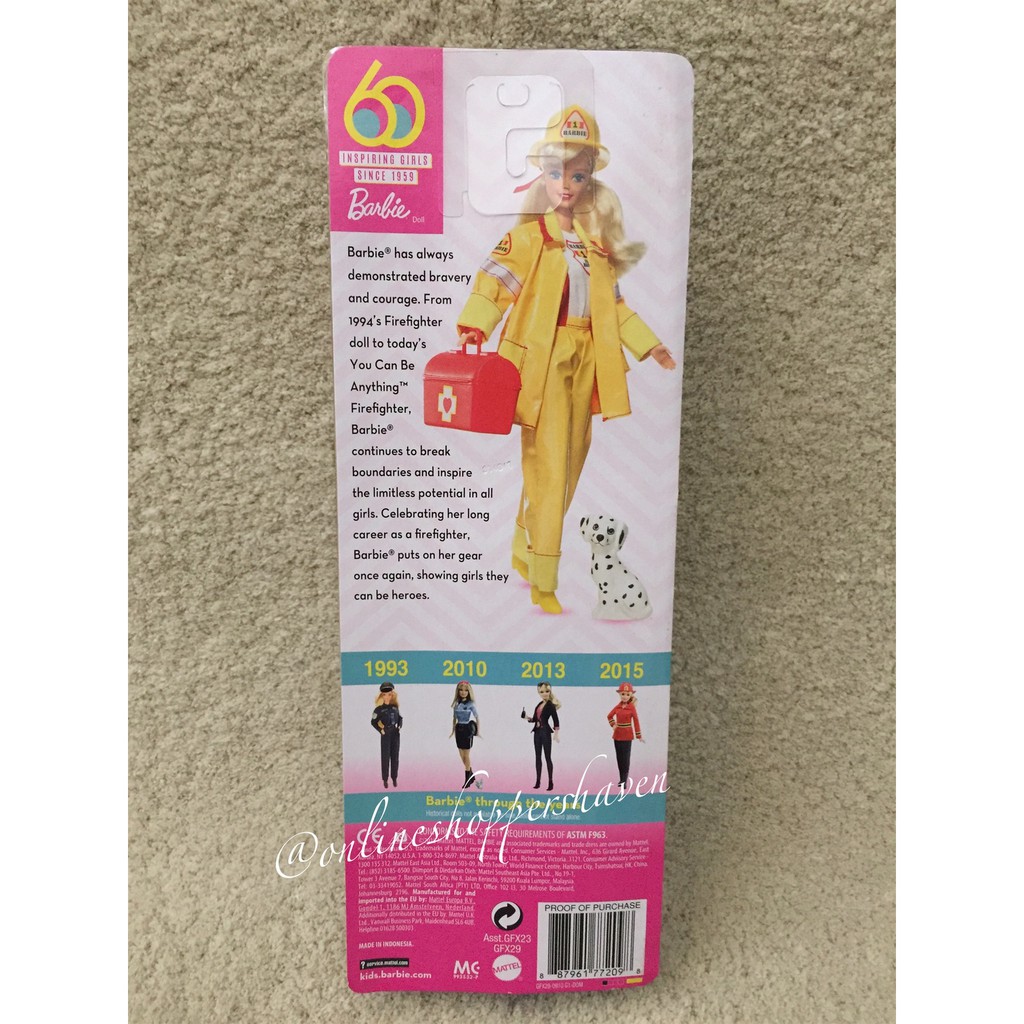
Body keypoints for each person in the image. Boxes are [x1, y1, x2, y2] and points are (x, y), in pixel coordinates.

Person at [456, 105, 676, 614]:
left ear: (589, 179)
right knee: (550, 466)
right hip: (544, 361)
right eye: (557, 173)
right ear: (543, 176)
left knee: (569, 462)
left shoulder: (593, 248)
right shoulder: (529, 240)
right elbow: (494, 283)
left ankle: (523, 549)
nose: (566, 185)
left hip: (586, 360)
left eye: (578, 175)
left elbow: (613, 308)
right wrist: (476, 324)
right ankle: (544, 580)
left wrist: (648, 345)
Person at [521, 682, 561, 790]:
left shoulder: (550, 705)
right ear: (539, 692)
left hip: (545, 732)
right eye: (542, 692)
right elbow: (535, 719)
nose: (544, 694)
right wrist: (526, 717)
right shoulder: (539, 704)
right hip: (537, 732)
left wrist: (556, 734)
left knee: (547, 757)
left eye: (547, 691)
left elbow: (556, 720)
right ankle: (538, 781)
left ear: (550, 692)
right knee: (537, 757)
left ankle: (550, 782)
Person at [607, 681, 643, 790]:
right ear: (620, 694)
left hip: (627, 735)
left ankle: (624, 780)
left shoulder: (631, 708)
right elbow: (609, 716)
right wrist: (613, 724)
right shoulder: (618, 707)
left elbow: (636, 721)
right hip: (617, 735)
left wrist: (638, 735)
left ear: (630, 695)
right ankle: (621, 779)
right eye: (623, 694)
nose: (625, 696)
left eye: (627, 694)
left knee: (625, 758)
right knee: (619, 757)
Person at [449, 680, 483, 789]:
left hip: (467, 730)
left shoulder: (470, 704)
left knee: (466, 755)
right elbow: (454, 718)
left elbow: (477, 717)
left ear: (469, 692)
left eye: (465, 690)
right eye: (461, 690)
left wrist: (477, 731)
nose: (463, 692)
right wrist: (453, 730)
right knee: (461, 755)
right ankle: (471, 775)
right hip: (458, 729)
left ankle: (467, 779)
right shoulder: (456, 704)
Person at [370, 682, 402, 789]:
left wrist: (399, 726)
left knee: (395, 756)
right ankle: (385, 779)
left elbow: (400, 718)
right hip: (386, 734)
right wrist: (380, 730)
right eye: (384, 694)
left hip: (395, 734)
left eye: (389, 694)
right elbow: (373, 722)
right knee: (385, 757)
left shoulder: (395, 708)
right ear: (382, 696)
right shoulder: (378, 710)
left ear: (392, 695)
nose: (387, 697)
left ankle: (394, 777)